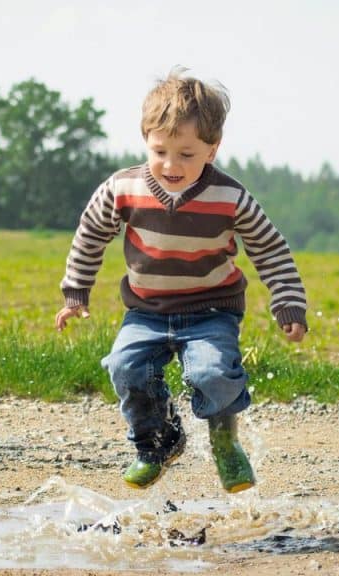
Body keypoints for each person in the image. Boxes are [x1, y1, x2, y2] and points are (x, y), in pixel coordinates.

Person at [55, 69, 308, 493]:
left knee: (212, 374)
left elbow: (270, 249)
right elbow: (90, 234)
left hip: (212, 311)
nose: (172, 165)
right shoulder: (123, 187)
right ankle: (158, 442)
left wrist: (288, 303)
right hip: (146, 311)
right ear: (146, 140)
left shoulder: (231, 198)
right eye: (160, 151)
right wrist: (75, 291)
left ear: (213, 149)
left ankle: (225, 440)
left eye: (187, 154)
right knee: (125, 367)